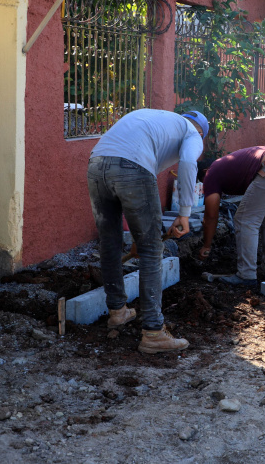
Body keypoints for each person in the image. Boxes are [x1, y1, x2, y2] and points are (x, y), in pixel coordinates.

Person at [87, 108, 207, 354]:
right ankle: (153, 332)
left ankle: (118, 312)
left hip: (96, 164)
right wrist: (184, 212)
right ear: (201, 132)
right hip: (131, 167)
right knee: (153, 250)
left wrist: (138, 238)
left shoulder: (157, 120)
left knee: (109, 243)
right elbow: (187, 162)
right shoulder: (191, 133)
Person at [197, 146, 265, 287]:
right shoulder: (228, 165)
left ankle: (246, 275)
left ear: (205, 172)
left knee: (244, 219)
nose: (206, 186)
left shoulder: (211, 173)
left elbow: (211, 216)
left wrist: (206, 245)